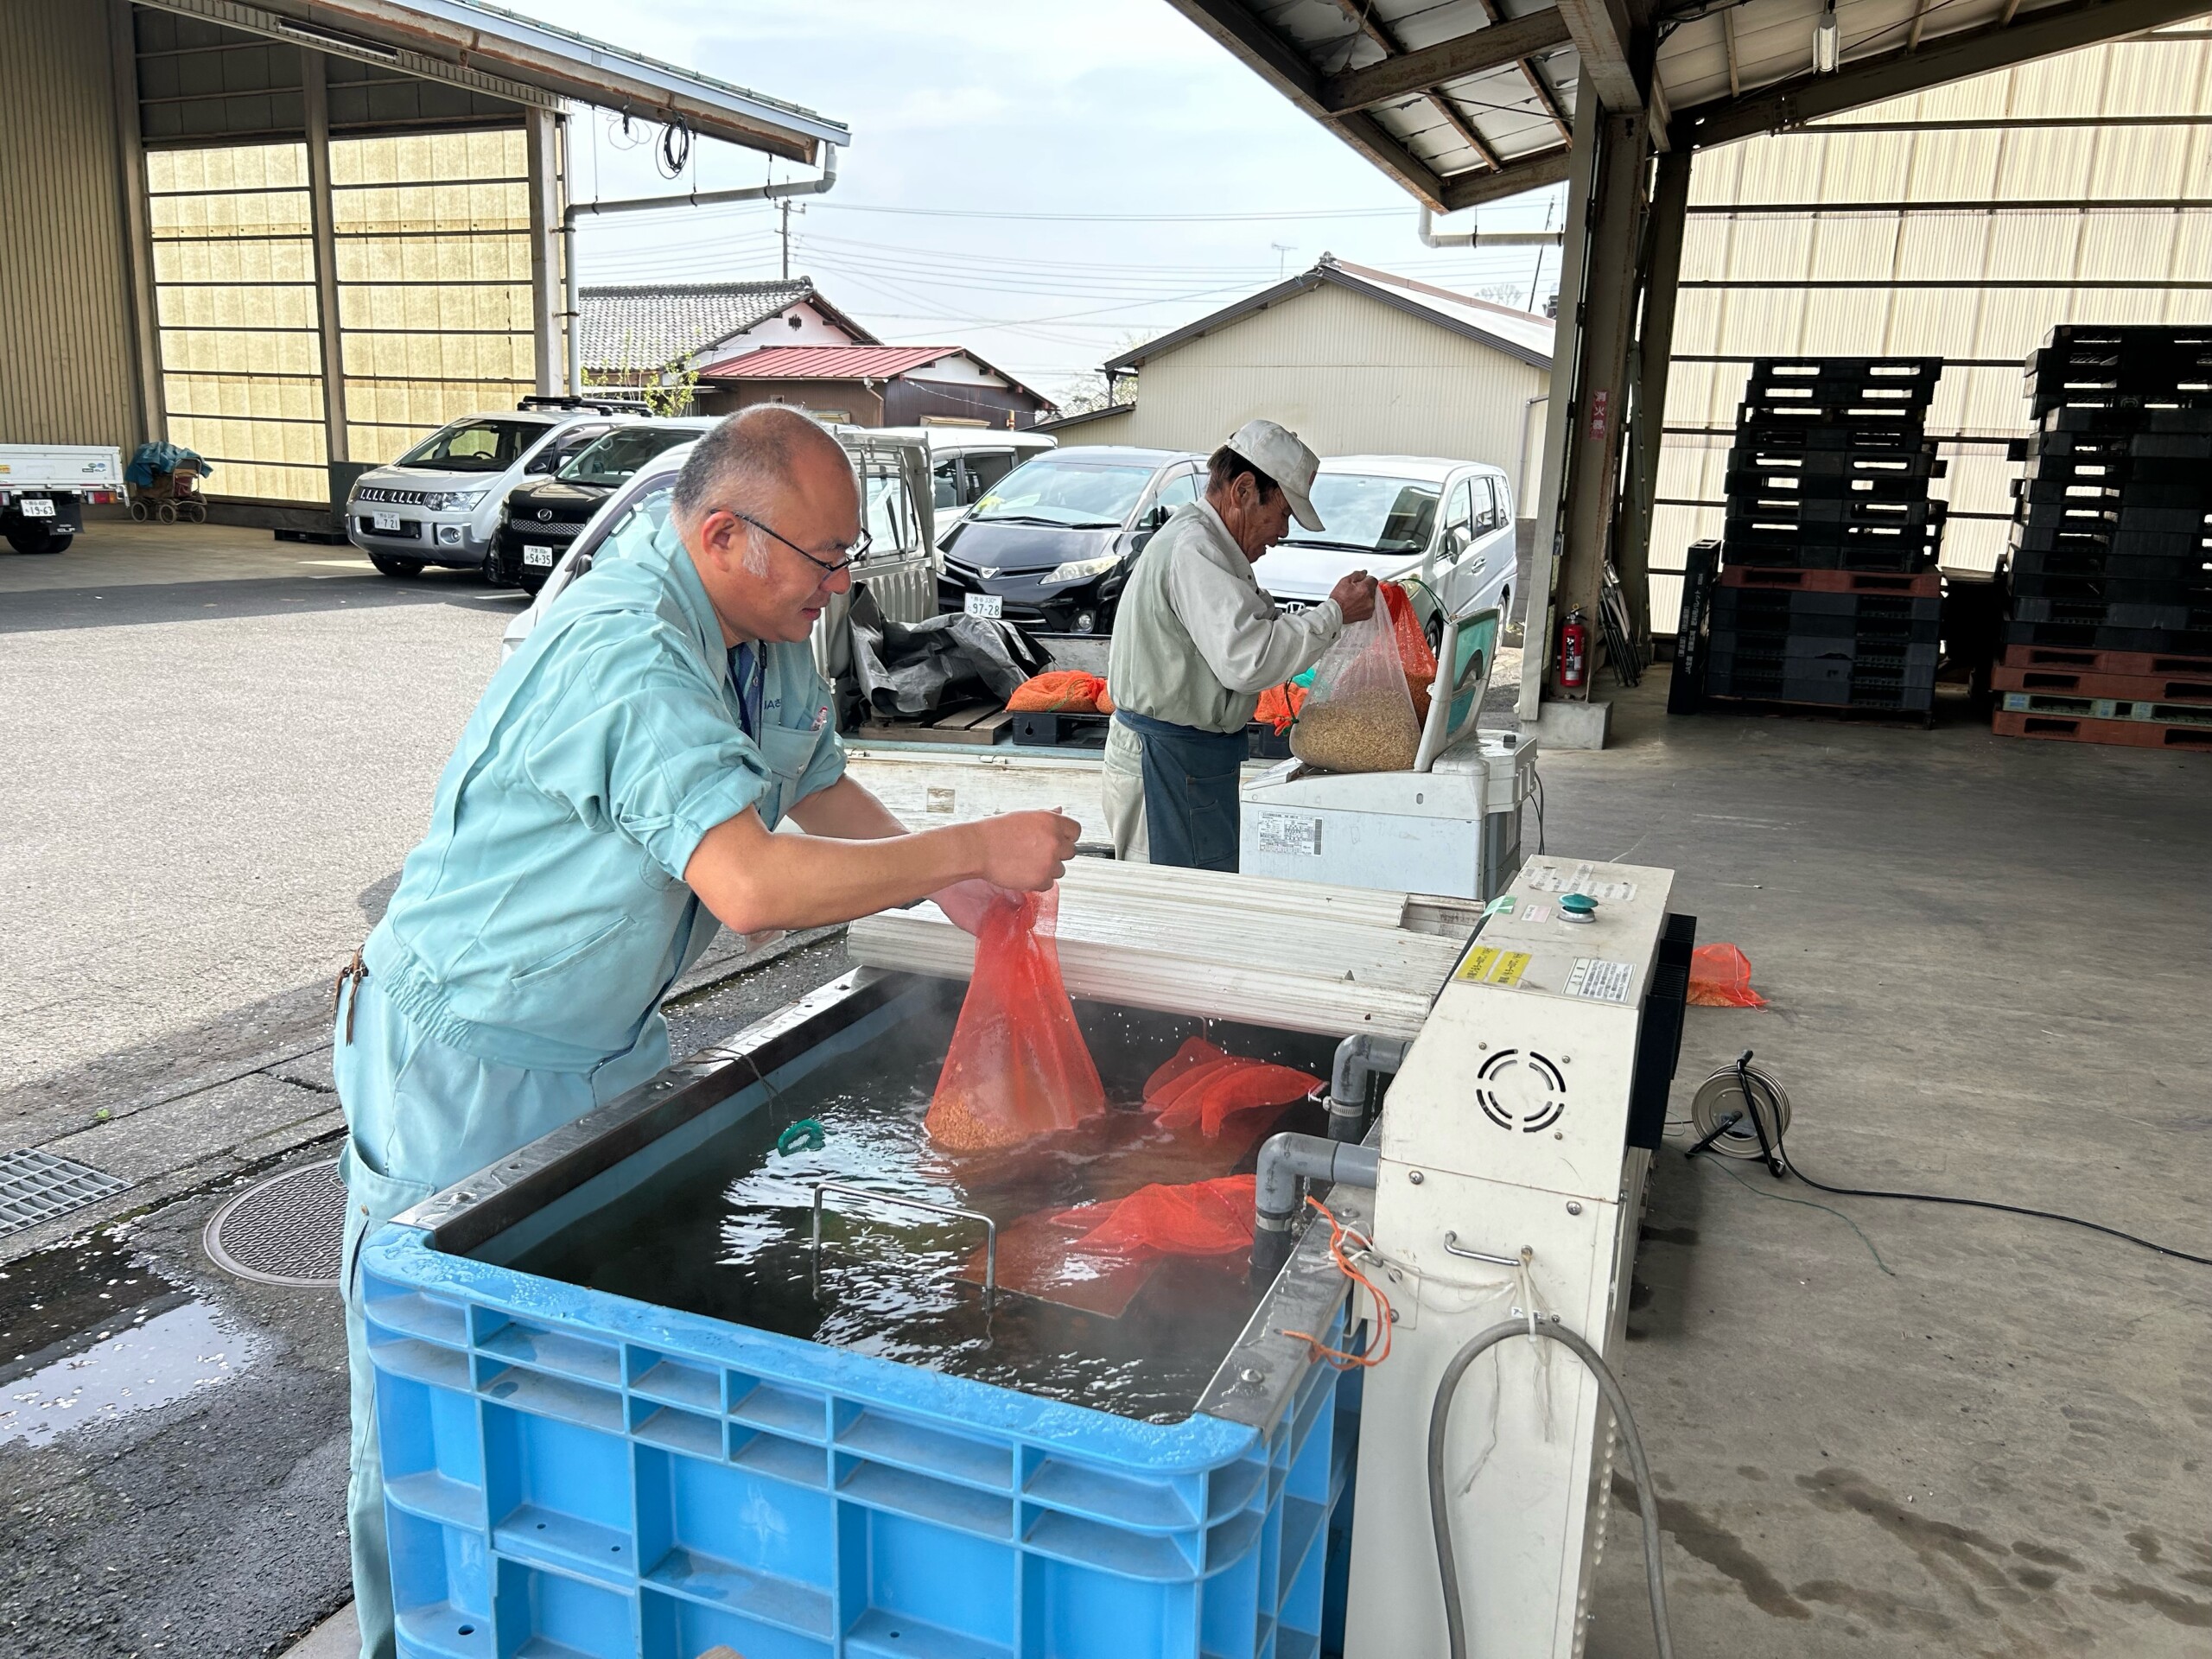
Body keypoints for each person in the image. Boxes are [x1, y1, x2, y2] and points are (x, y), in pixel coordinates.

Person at [330, 406, 1076, 1659]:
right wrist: (974, 848)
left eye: (851, 556)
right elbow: (749, 885)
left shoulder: (763, 627)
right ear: (725, 534)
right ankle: (414, 1639)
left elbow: (811, 780)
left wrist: (936, 882)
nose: (841, 588)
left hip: (602, 1044)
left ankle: (577, 1616)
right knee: (428, 1402)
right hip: (460, 1060)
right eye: (825, 560)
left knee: (570, 1380)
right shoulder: (626, 654)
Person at [1103, 419, 1377, 869]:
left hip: (1192, 758)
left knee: (1204, 904)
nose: (1283, 531)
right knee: (1179, 915)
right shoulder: (1195, 548)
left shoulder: (1213, 546)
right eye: (1284, 513)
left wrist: (1328, 620)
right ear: (1244, 490)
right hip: (1164, 764)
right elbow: (1248, 660)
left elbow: (1258, 629)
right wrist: (1334, 614)